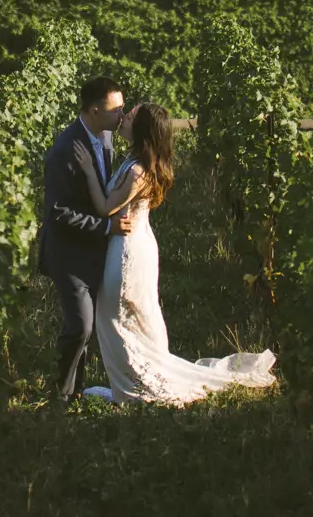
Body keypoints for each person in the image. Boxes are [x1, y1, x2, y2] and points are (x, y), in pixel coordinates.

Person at [85, 103, 275, 405]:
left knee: (116, 317)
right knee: (133, 317)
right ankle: (131, 384)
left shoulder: (136, 171)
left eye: (130, 116)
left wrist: (81, 176)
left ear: (142, 129)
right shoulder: (137, 162)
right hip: (136, 242)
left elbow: (105, 206)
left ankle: (136, 388)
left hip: (128, 250)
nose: (123, 118)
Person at [39, 75, 133, 404]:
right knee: (80, 325)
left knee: (87, 326)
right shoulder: (65, 150)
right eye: (115, 109)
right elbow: (58, 213)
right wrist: (107, 228)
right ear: (94, 111)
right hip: (68, 252)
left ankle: (74, 391)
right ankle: (60, 397)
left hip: (93, 250)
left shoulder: (104, 135)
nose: (122, 114)